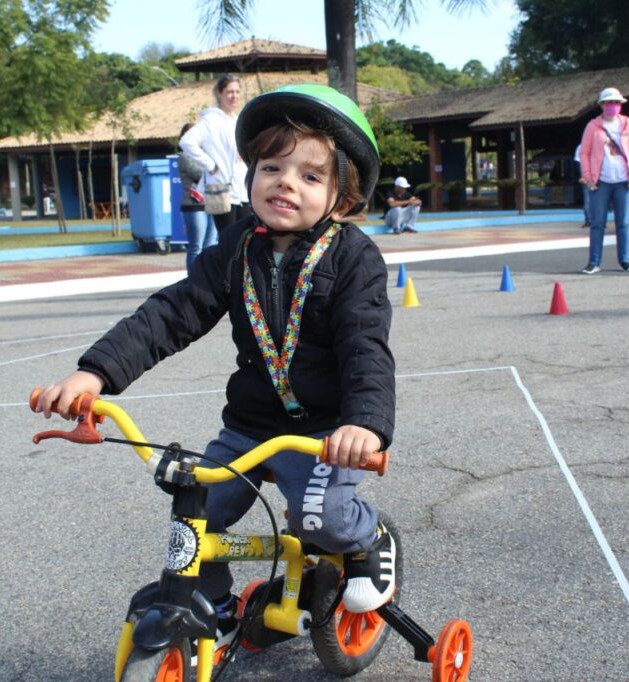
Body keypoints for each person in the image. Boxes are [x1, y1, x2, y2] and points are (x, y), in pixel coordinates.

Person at [36, 84, 397, 655]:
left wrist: (365, 425)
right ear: (249, 173)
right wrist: (95, 374)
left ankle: (369, 539)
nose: (285, 182)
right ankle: (218, 606)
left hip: (325, 434)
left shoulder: (353, 258)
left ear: (343, 197)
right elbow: (172, 313)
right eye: (272, 166)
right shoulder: (237, 246)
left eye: (309, 176)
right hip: (249, 426)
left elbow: (365, 347)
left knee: (321, 518)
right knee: (197, 510)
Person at [578, 87, 629, 274]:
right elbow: (585, 152)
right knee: (597, 222)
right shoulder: (593, 126)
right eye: (609, 103)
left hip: (624, 181)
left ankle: (625, 260)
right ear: (601, 105)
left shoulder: (627, 124)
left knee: (623, 222)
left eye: (616, 103)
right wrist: (588, 177)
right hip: (601, 182)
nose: (613, 106)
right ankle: (594, 262)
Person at [179, 74, 250, 232]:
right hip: (222, 190)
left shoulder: (238, 120)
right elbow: (186, 141)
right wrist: (210, 164)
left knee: (245, 238)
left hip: (242, 190)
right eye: (230, 92)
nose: (234, 96)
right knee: (228, 240)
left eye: (237, 92)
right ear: (220, 93)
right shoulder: (211, 120)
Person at [178, 121, 217, 270]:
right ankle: (193, 281)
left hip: (212, 202)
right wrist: (215, 168)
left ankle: (207, 279)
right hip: (194, 205)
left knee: (211, 244)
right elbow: (200, 173)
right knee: (196, 246)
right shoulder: (185, 156)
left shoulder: (207, 155)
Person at [574, 144, 590, 228]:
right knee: (588, 200)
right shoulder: (581, 147)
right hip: (588, 177)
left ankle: (590, 221)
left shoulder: (580, 146)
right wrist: (581, 177)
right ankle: (589, 220)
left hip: (594, 176)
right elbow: (578, 163)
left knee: (589, 200)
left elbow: (578, 163)